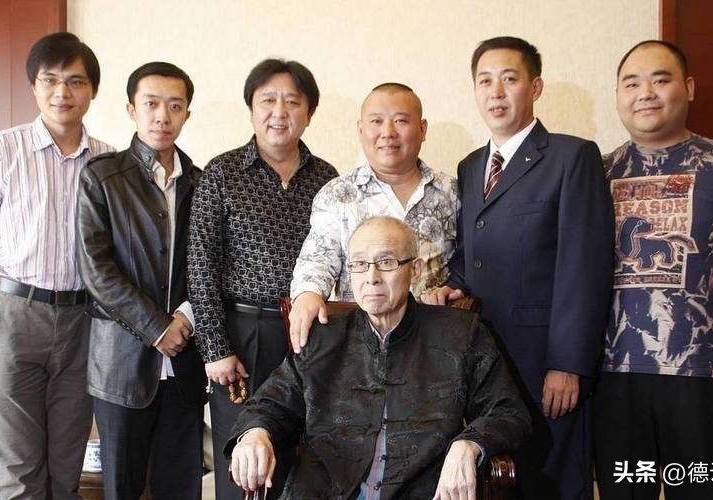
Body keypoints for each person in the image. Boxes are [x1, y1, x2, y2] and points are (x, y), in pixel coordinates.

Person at [422, 36, 614, 499]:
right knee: (500, 482)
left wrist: (568, 363)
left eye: (509, 79)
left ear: (535, 87)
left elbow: (584, 269)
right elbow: (472, 252)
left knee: (552, 482)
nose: (496, 92)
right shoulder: (471, 167)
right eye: (485, 81)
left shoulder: (572, 157)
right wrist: (453, 285)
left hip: (545, 362)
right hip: (485, 361)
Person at [594, 40, 713, 500]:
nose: (645, 93)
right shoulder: (599, 172)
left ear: (689, 88)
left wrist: (712, 307)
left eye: (660, 80)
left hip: (703, 374)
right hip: (616, 374)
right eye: (631, 83)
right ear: (618, 95)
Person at [229, 216, 532, 499]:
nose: (371, 277)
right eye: (360, 264)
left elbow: (508, 411)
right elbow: (270, 404)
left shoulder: (460, 333)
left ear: (414, 270)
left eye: (386, 262)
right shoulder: (322, 336)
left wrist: (470, 444)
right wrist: (255, 435)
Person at [0, 32, 113, 499]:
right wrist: (14, 300)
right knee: (19, 472)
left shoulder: (108, 161)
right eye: (50, 80)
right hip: (16, 319)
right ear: (34, 85)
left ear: (92, 90)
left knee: (66, 469)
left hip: (83, 322)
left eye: (75, 81)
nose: (62, 92)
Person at [187, 58, 338, 499]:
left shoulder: (328, 179)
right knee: (243, 461)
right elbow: (200, 266)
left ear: (309, 112)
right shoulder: (222, 173)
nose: (279, 112)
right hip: (242, 335)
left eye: (292, 101)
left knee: (301, 457)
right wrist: (215, 349)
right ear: (251, 109)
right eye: (268, 100)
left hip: (309, 336)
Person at [76, 61, 206, 500]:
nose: (162, 116)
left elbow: (210, 267)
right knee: (122, 489)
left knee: (180, 488)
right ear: (132, 109)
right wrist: (156, 327)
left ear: (187, 114)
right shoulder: (102, 177)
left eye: (175, 106)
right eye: (151, 104)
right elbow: (97, 270)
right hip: (120, 366)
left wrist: (185, 318)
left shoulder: (202, 184)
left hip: (185, 363)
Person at [288, 83, 459, 352]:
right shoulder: (337, 194)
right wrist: (308, 294)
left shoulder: (451, 192)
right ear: (361, 130)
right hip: (361, 345)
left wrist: (452, 287)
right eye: (377, 121)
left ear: (422, 129)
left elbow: (470, 260)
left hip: (435, 342)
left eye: (401, 121)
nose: (388, 132)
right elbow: (317, 260)